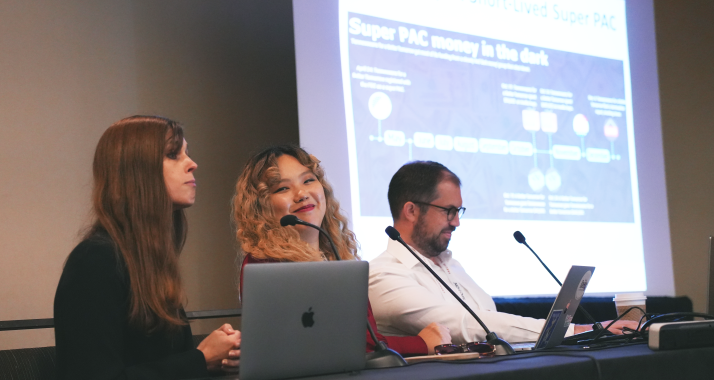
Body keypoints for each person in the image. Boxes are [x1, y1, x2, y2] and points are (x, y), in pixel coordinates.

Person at [37, 116, 241, 380]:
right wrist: (198, 359)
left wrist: (216, 360)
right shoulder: (95, 263)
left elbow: (154, 365)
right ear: (137, 173)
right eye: (174, 155)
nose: (192, 163)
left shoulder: (149, 264)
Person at [368, 161, 636, 345]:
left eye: (459, 211)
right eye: (448, 210)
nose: (456, 222)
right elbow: (467, 325)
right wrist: (580, 331)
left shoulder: (450, 264)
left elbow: (487, 316)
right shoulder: (382, 275)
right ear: (411, 211)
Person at [232, 144, 450, 356]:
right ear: (261, 206)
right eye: (282, 188)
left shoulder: (338, 258)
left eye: (309, 180)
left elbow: (367, 339)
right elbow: (354, 344)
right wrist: (422, 343)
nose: (301, 194)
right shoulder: (264, 263)